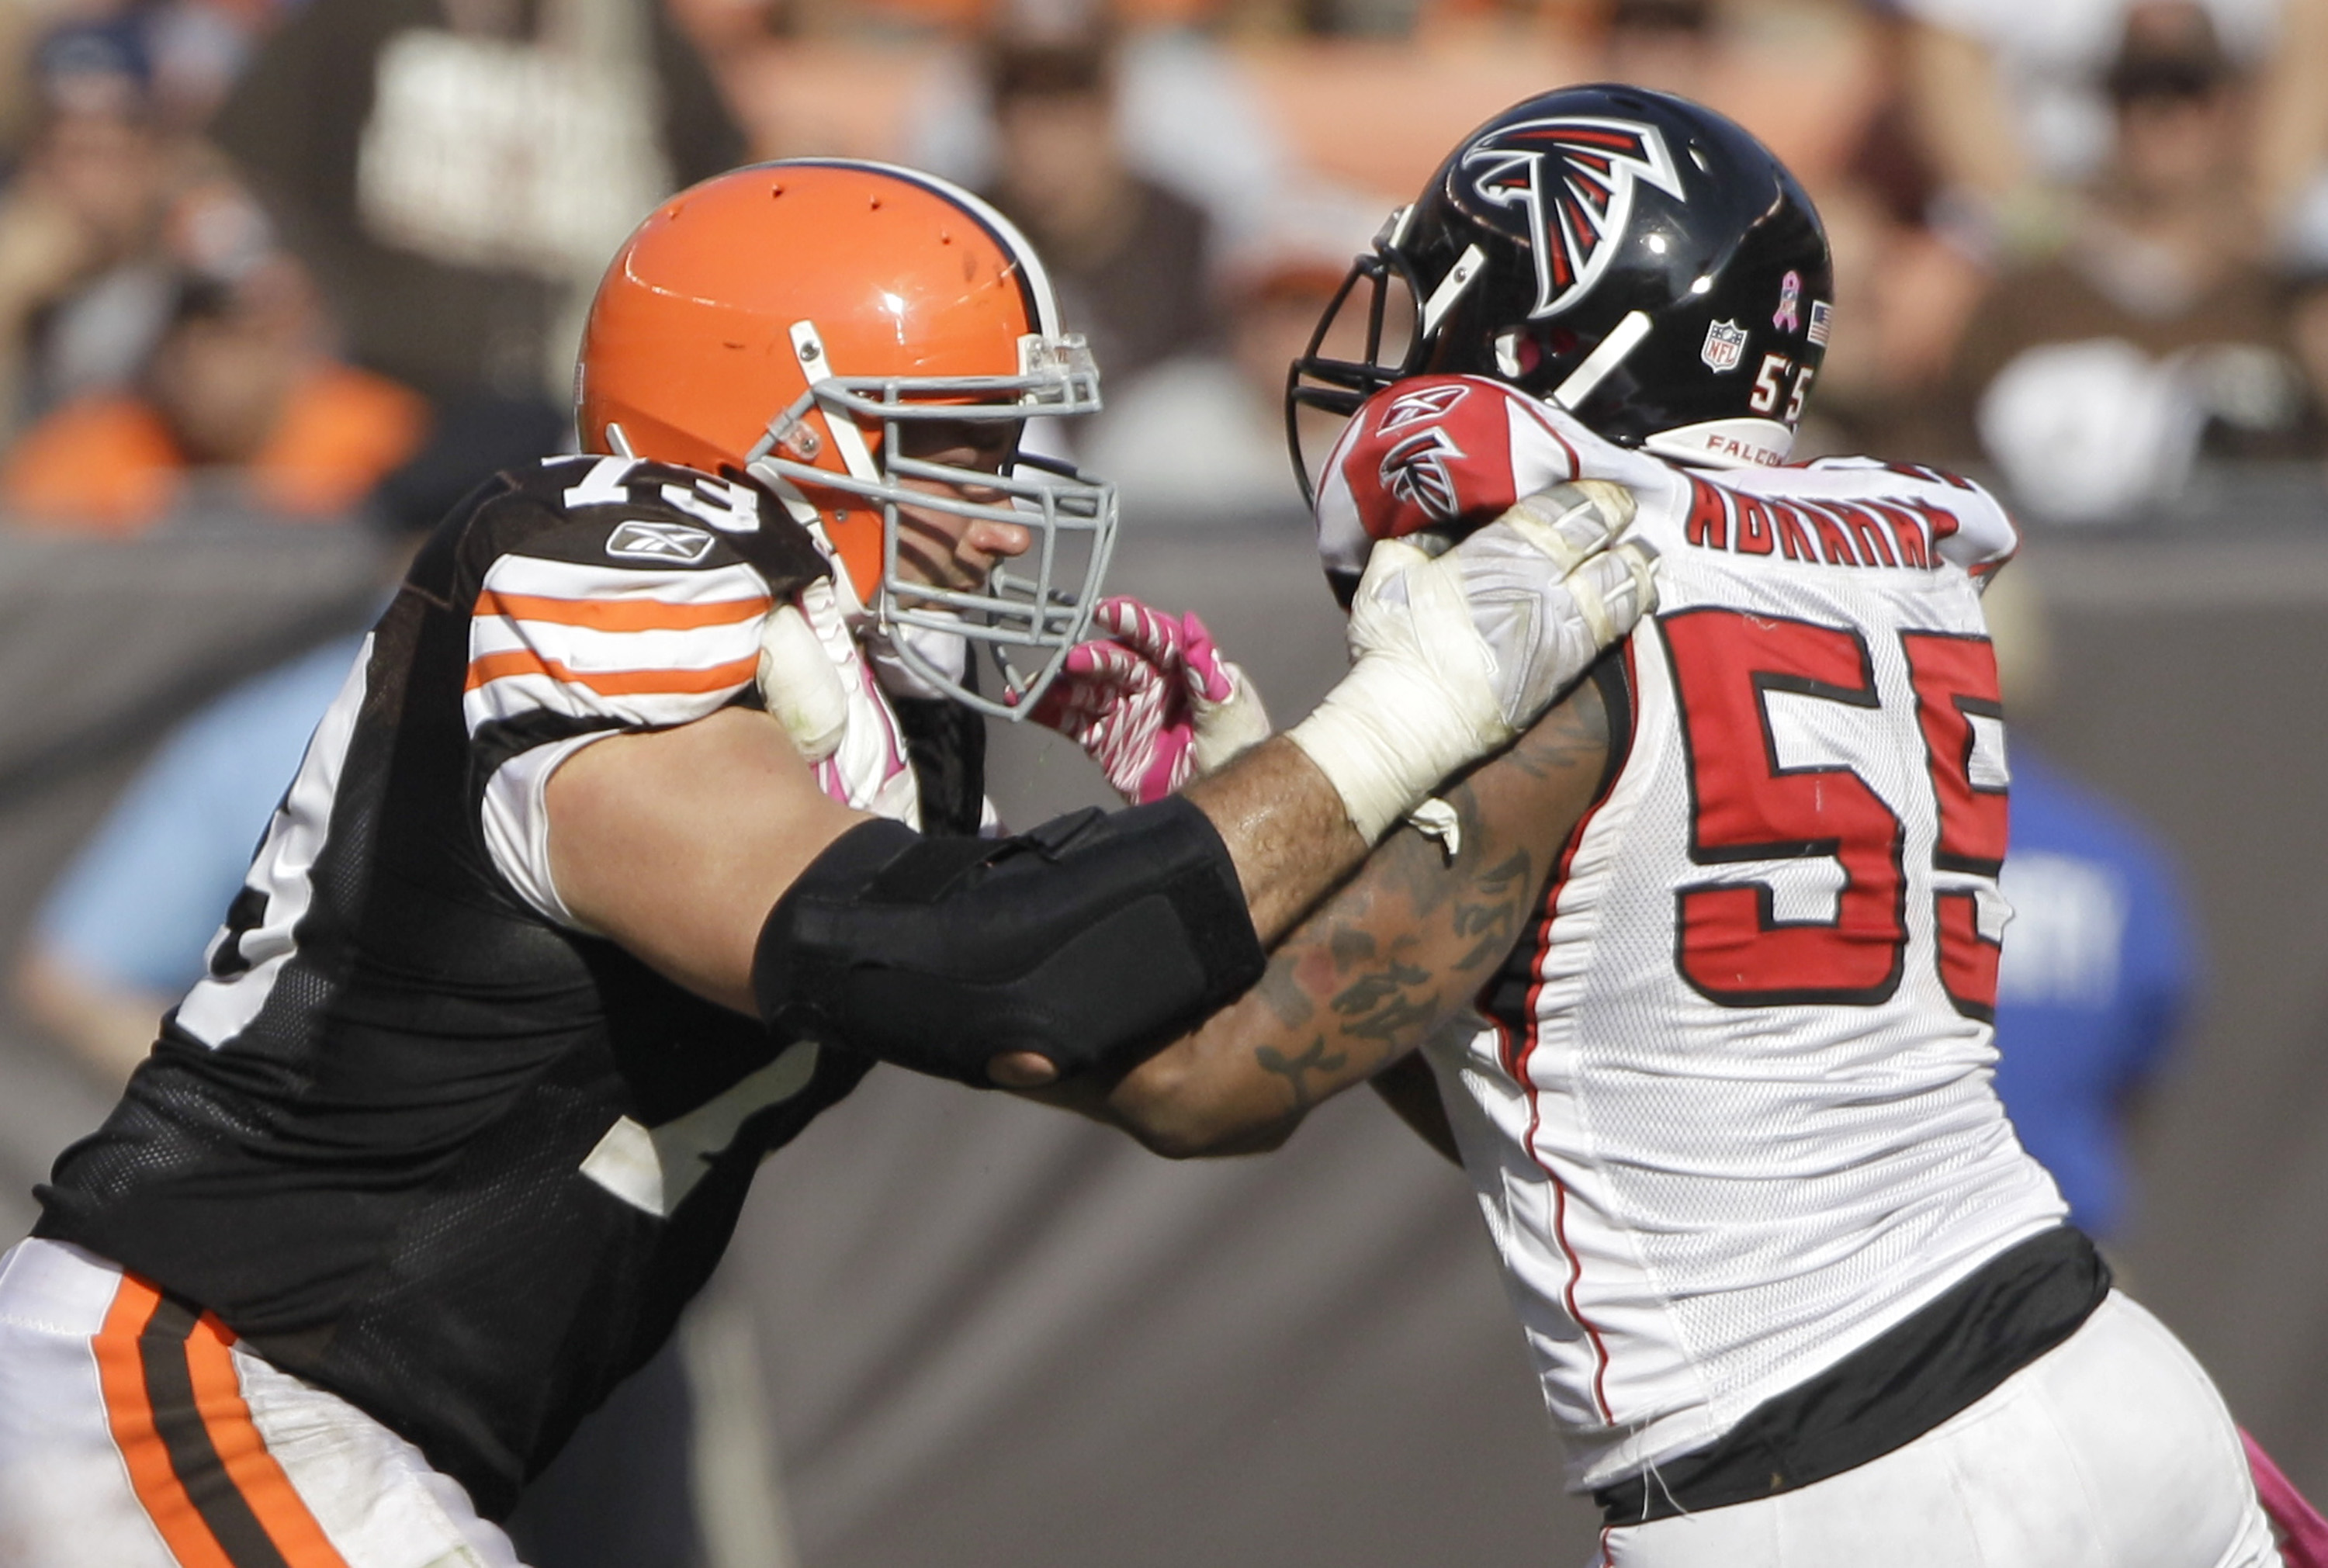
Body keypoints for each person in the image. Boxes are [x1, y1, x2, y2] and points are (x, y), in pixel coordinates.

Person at [0, 158, 1655, 1566]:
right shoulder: (595, 566)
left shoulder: (869, 724)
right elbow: (997, 965)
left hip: (337, 1420)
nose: (1005, 520)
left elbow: (1187, 1073)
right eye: (950, 448)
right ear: (749, 436)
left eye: (1011, 451)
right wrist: (1409, 719)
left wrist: (1261, 797)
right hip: (202, 1376)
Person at [1036, 86, 2284, 1567]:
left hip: (1820, 1487)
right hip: (2106, 1386)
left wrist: (929, 960)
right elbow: (1583, 1084)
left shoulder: (1571, 606)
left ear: (1557, 334)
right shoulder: (1878, 570)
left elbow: (1207, 1085)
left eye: (1444, 308)